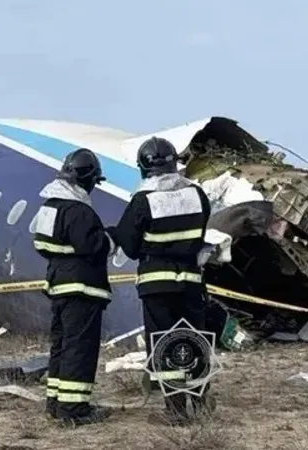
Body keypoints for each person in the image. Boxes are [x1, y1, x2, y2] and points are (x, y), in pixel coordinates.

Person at [110, 136, 213, 425]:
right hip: (191, 281)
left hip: (157, 285)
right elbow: (201, 233)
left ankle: (176, 410)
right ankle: (201, 402)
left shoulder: (143, 200)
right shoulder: (197, 195)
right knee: (194, 338)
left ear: (144, 167)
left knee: (165, 343)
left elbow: (130, 246)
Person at [33, 148, 116, 426]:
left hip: (58, 285)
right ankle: (74, 410)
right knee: (80, 347)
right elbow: (93, 246)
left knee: (61, 345)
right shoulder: (79, 211)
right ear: (88, 179)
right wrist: (111, 238)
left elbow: (41, 245)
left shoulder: (49, 207)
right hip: (81, 289)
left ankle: (55, 403)